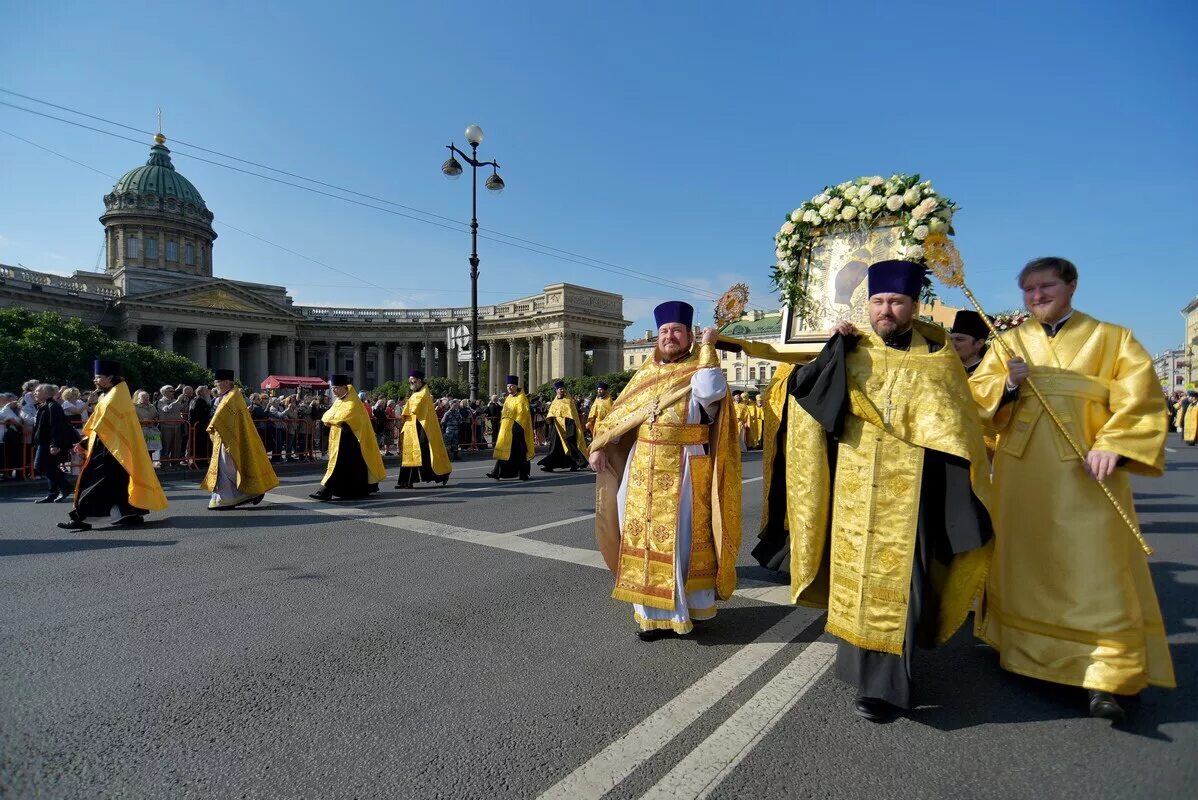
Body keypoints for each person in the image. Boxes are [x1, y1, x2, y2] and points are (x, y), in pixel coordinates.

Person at [755, 260, 994, 721]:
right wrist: (833, 351)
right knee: (853, 578)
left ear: (912, 305)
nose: (887, 309)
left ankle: (885, 687)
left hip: (912, 493)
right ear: (869, 304)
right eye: (879, 301)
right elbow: (808, 398)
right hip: (853, 485)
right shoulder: (853, 347)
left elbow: (956, 426)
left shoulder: (936, 358)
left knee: (901, 586)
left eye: (897, 301)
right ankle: (861, 670)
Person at [971, 256, 1175, 722]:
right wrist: (1005, 385)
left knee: (1094, 566)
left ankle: (1107, 674)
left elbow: (1141, 398)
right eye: (1028, 290)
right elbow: (978, 403)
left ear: (1071, 286)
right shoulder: (1010, 342)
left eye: (1045, 287)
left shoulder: (1112, 338)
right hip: (1022, 475)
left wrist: (1116, 443)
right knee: (1026, 560)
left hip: (1087, 471)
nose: (1037, 296)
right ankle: (1022, 650)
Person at [588, 301, 741, 640]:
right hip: (643, 464)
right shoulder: (645, 373)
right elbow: (618, 416)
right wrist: (599, 445)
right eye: (664, 332)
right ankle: (652, 614)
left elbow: (710, 392)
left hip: (687, 463)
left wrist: (708, 348)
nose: (669, 336)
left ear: (689, 335)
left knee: (685, 540)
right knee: (640, 537)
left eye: (677, 331)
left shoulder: (700, 368)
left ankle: (693, 607)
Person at [58, 359, 168, 531]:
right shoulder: (116, 392)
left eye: (98, 377)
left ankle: (81, 517)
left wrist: (85, 442)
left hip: (110, 449)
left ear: (109, 377)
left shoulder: (115, 395)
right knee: (118, 483)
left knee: (94, 482)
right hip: (115, 447)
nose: (95, 380)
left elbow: (103, 425)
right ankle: (130, 514)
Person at [201, 369, 278, 510]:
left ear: (226, 383)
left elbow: (221, 416)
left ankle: (233, 497)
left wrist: (211, 425)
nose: (216, 386)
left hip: (230, 437)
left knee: (228, 467)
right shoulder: (227, 396)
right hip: (223, 436)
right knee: (224, 468)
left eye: (218, 383)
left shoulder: (233, 396)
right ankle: (234, 496)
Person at [310, 375, 386, 501]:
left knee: (338, 466)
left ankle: (325, 491)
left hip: (351, 440)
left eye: (335, 388)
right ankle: (354, 489)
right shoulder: (338, 401)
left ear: (344, 388)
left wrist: (331, 420)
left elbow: (344, 417)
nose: (333, 391)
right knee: (345, 467)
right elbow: (327, 415)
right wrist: (330, 420)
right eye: (332, 388)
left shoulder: (353, 402)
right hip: (339, 440)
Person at [395, 370, 451, 488]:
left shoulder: (423, 393)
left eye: (413, 380)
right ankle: (406, 481)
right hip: (412, 428)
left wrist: (407, 410)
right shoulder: (415, 393)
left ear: (419, 381)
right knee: (409, 454)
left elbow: (415, 408)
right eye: (410, 381)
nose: (411, 382)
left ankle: (441, 475)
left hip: (421, 429)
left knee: (424, 455)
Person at [32, 383, 77, 502]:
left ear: (46, 393)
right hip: (43, 442)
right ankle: (53, 493)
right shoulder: (45, 405)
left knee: (40, 465)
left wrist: (55, 444)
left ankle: (66, 487)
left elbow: (56, 427)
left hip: (48, 443)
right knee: (50, 466)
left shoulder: (53, 406)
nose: (34, 393)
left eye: (37, 391)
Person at [487, 376, 534, 481]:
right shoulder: (508, 398)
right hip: (506, 429)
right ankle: (496, 472)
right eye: (508, 386)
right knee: (504, 450)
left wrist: (516, 427)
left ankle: (524, 474)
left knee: (521, 452)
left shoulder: (522, 398)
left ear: (516, 386)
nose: (509, 388)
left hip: (517, 429)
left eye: (511, 386)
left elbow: (523, 414)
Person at [539, 380, 588, 472]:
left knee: (571, 444)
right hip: (556, 427)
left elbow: (572, 415)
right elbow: (551, 414)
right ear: (556, 390)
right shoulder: (554, 401)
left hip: (568, 426)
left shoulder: (568, 401)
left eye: (563, 389)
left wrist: (571, 428)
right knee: (554, 446)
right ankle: (550, 465)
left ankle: (576, 463)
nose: (562, 390)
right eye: (560, 389)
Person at [949, 309, 990, 375]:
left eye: (959, 339)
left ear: (979, 343)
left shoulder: (991, 370)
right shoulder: (946, 369)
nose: (952, 344)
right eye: (950, 339)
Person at [155, 385, 186, 468]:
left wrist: (184, 400)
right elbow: (166, 409)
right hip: (166, 426)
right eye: (171, 391)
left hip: (177, 426)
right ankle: (165, 464)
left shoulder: (175, 400)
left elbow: (182, 409)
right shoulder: (161, 401)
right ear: (164, 393)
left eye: (173, 391)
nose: (173, 392)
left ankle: (175, 463)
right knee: (166, 445)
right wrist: (177, 401)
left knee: (177, 446)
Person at [189, 385, 213, 469]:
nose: (208, 392)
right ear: (201, 392)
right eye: (206, 391)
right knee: (199, 444)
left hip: (201, 426)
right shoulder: (199, 400)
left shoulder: (200, 400)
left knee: (202, 444)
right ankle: (199, 462)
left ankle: (202, 461)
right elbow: (199, 414)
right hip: (199, 426)